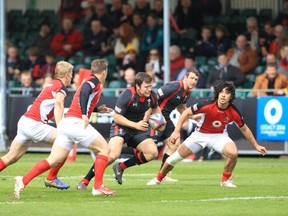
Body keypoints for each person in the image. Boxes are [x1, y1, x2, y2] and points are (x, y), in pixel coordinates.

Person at [14, 59, 116, 199]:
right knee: (105, 149)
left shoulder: (88, 80)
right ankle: (98, 186)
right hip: (75, 122)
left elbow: (79, 99)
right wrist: (85, 115)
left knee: (53, 160)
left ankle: (23, 180)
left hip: (67, 123)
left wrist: (97, 109)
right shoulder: (94, 82)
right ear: (104, 71)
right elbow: (85, 92)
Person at [149, 80, 267, 187]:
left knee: (233, 153)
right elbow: (185, 113)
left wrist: (256, 146)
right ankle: (158, 178)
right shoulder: (207, 104)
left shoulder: (234, 111)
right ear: (217, 93)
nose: (223, 95)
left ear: (231, 96)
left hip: (219, 137)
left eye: (227, 93)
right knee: (173, 159)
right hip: (199, 136)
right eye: (221, 92)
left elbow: (244, 129)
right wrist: (176, 132)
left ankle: (225, 180)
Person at [76, 72, 163, 189]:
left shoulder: (152, 95)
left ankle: (121, 167)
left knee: (152, 152)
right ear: (137, 86)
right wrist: (135, 125)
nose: (149, 89)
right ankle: (85, 180)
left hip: (138, 128)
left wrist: (160, 121)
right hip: (121, 126)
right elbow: (116, 117)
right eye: (146, 87)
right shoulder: (127, 94)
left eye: (150, 86)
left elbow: (155, 107)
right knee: (111, 155)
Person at [0, 61, 73, 190]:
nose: (72, 77)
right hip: (34, 125)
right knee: (66, 140)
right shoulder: (61, 88)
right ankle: (51, 178)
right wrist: (61, 126)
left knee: (11, 157)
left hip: (24, 122)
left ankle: (51, 177)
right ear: (66, 75)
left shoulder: (51, 84)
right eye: (71, 74)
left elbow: (47, 108)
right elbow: (59, 105)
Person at [146, 69, 200, 185]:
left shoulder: (187, 93)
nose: (194, 81)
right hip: (156, 116)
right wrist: (149, 116)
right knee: (148, 149)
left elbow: (181, 108)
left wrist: (193, 117)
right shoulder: (174, 86)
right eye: (191, 78)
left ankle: (162, 174)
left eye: (196, 79)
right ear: (185, 77)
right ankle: (120, 161)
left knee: (174, 144)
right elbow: (154, 96)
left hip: (165, 118)